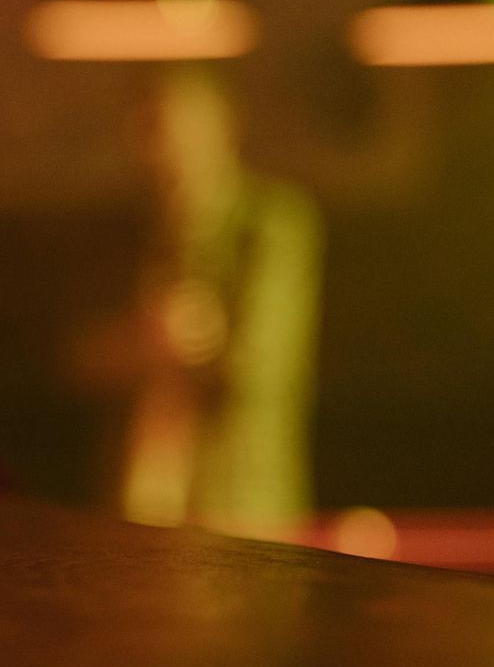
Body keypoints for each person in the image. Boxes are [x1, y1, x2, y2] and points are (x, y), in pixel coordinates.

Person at [77, 65, 321, 539]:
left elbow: (261, 370)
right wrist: (136, 341)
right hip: (132, 509)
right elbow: (71, 358)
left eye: (182, 130)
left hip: (240, 510)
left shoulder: (272, 224)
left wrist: (190, 338)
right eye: (153, 131)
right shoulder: (123, 231)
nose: (168, 151)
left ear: (225, 128)